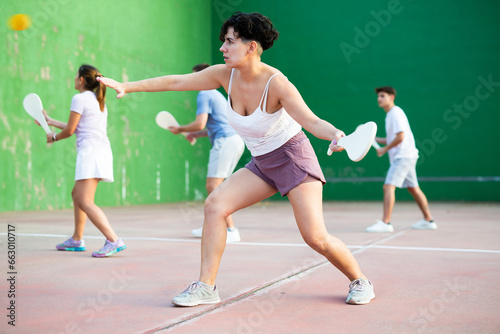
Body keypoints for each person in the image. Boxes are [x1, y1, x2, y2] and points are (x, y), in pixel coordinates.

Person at [98, 12, 374, 305]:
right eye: (223, 42)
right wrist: (128, 86)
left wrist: (337, 136)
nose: (222, 48)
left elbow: (312, 120)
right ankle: (206, 287)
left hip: (293, 158)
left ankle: (360, 280)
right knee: (215, 205)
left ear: (251, 47)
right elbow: (179, 81)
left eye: (229, 42)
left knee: (315, 237)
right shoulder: (223, 74)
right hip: (261, 162)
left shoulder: (277, 84)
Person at [40, 64, 127, 257]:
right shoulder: (98, 100)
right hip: (101, 152)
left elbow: (71, 131)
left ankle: (113, 240)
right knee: (77, 194)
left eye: (75, 76)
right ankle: (77, 239)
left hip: (90, 153)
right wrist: (51, 121)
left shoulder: (79, 98)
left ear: (81, 80)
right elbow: (78, 126)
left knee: (85, 201)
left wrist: (53, 137)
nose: (73, 78)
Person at [168, 63, 245, 243]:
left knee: (213, 185)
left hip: (225, 141)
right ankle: (215, 226)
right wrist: (195, 134)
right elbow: (212, 126)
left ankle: (230, 229)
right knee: (219, 186)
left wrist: (180, 129)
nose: (192, 81)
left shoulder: (204, 93)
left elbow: (200, 123)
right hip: (234, 140)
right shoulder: (217, 95)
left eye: (195, 77)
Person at [366, 86, 437, 233]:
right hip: (408, 156)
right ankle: (428, 220)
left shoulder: (395, 113)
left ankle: (386, 223)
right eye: (378, 96)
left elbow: (400, 137)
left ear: (391, 97)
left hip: (403, 157)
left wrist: (384, 150)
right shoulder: (391, 115)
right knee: (413, 188)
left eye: (382, 96)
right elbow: (392, 138)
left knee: (388, 186)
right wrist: (374, 139)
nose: (379, 99)